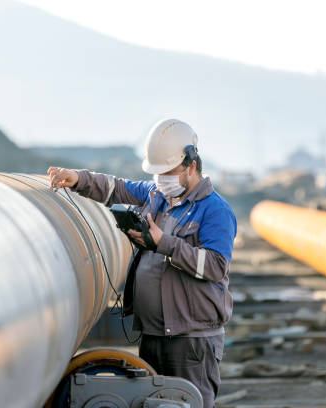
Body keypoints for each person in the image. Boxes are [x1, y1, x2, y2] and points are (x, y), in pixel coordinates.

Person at [47, 118, 237, 408]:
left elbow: (214, 266)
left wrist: (163, 243)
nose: (161, 180)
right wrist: (77, 179)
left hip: (191, 343)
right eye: (157, 173)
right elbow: (115, 188)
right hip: (154, 335)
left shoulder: (215, 211)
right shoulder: (156, 196)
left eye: (168, 172)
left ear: (191, 164)